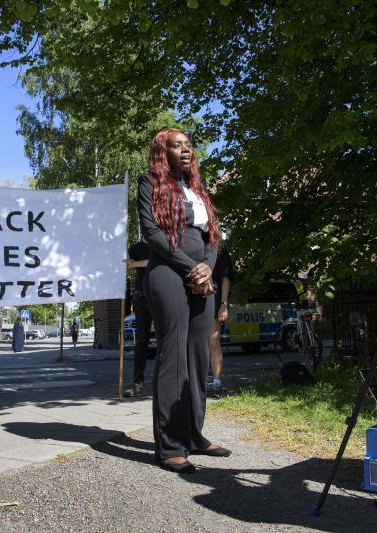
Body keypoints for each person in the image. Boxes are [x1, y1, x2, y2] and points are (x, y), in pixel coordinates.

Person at [138, 128, 231, 473]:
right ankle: (170, 446)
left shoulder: (198, 188)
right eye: (178, 146)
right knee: (174, 357)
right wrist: (192, 267)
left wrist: (207, 265)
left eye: (189, 146)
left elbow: (213, 236)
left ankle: (194, 435)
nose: (187, 151)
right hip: (168, 274)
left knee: (198, 356)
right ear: (164, 152)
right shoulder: (149, 183)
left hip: (201, 276)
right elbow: (152, 233)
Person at [123, 240, 152, 397]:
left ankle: (167, 379)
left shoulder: (160, 243)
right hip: (140, 297)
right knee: (141, 341)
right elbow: (127, 270)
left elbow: (153, 262)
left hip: (159, 296)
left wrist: (134, 264)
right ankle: (137, 382)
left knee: (165, 338)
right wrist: (125, 264)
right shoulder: (134, 249)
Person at [209, 244, 233, 397]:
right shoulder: (188, 241)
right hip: (191, 300)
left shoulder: (219, 249)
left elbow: (226, 279)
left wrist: (223, 305)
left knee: (213, 341)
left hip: (213, 300)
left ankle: (216, 382)